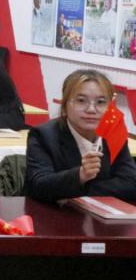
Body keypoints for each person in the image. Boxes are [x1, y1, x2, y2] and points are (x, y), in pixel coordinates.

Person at [27, 69, 136, 203]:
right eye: (81, 101)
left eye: (101, 102)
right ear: (65, 105)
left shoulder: (113, 133)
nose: (91, 109)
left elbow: (131, 183)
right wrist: (80, 175)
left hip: (100, 212)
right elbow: (39, 185)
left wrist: (79, 192)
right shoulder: (43, 135)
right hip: (55, 213)